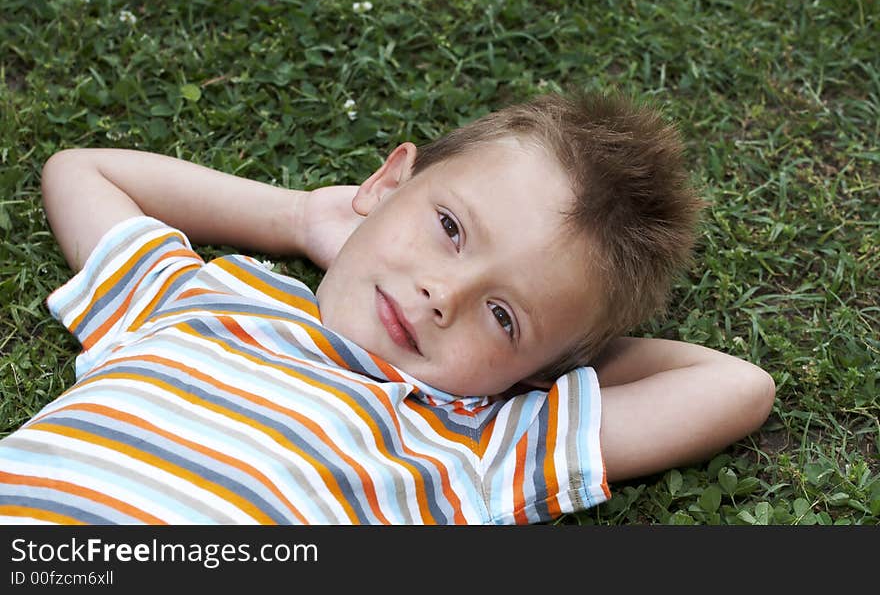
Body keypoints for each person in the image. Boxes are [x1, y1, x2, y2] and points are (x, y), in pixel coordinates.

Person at [0, 91, 774, 524]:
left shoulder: (476, 442)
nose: (446, 296)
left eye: (503, 316)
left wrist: (552, 361)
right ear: (388, 183)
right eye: (449, 229)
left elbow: (738, 386)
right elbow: (83, 171)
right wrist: (299, 216)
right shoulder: (203, 299)